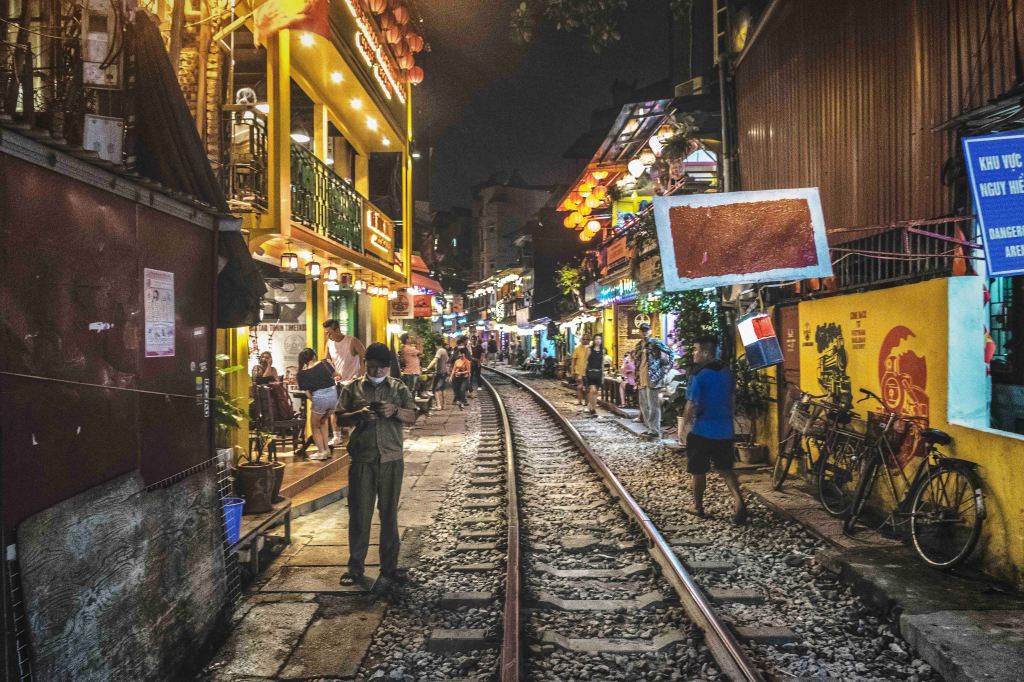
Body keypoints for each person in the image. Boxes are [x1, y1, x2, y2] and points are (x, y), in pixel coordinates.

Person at [336, 343, 418, 587]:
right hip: (362, 459)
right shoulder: (352, 388)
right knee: (360, 514)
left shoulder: (398, 388)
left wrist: (394, 411)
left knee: (389, 513)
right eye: (372, 367)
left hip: (391, 459)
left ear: (388, 367)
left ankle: (389, 567)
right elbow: (339, 418)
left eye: (382, 367)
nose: (378, 371)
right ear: (365, 365)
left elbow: (413, 415)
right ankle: (355, 568)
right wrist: (359, 415)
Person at [679, 335, 747, 524]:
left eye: (696, 350)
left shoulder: (698, 375)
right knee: (725, 469)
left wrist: (684, 427)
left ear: (706, 353)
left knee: (698, 470)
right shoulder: (727, 373)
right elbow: (732, 399)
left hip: (702, 430)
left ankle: (698, 506)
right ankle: (739, 501)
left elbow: (692, 403)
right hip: (725, 430)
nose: (693, 353)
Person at [324, 319, 366, 447]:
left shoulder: (352, 341)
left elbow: (364, 357)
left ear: (337, 330)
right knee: (335, 409)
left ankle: (356, 435)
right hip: (337, 382)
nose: (328, 335)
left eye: (329, 333)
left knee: (354, 409)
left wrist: (360, 375)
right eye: (326, 333)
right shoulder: (329, 343)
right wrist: (333, 372)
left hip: (352, 381)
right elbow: (326, 360)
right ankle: (337, 437)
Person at [633, 323, 674, 439]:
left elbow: (670, 352)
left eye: (646, 330)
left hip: (653, 378)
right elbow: (637, 362)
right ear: (640, 332)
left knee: (653, 405)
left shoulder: (656, 343)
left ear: (650, 331)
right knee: (644, 405)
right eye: (642, 330)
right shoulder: (638, 345)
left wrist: (666, 369)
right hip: (641, 378)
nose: (644, 332)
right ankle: (649, 428)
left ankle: (654, 430)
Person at [296, 348, 336, 460]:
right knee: (323, 422)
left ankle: (321, 451)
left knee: (314, 426)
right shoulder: (324, 364)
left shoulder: (302, 374)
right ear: (314, 356)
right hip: (333, 395)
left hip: (319, 397)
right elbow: (338, 375)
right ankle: (327, 450)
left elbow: (308, 393)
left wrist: (316, 402)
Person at [584, 333, 605, 416]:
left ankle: (593, 407)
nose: (598, 340)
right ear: (594, 340)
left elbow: (602, 363)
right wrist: (583, 373)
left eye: (599, 339)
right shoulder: (589, 350)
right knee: (592, 390)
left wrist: (603, 375)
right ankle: (592, 408)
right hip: (590, 372)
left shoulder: (602, 351)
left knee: (596, 392)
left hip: (598, 372)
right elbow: (585, 361)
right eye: (596, 339)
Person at [424, 343, 450, 410]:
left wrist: (427, 368)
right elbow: (447, 361)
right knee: (443, 388)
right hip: (445, 372)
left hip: (440, 373)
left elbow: (435, 360)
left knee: (435, 389)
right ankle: (444, 405)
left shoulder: (439, 351)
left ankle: (438, 405)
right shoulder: (444, 351)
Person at [570, 334, 591, 406]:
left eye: (587, 339)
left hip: (588, 371)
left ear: (589, 340)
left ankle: (587, 402)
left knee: (587, 388)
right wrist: (572, 370)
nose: (585, 341)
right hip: (578, 371)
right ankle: (580, 400)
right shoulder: (577, 348)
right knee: (580, 387)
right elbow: (573, 361)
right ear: (581, 340)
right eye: (583, 339)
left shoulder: (590, 348)